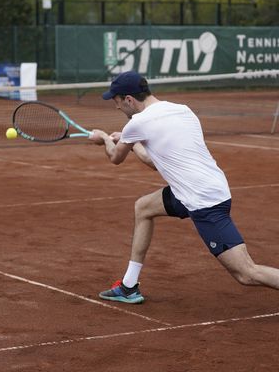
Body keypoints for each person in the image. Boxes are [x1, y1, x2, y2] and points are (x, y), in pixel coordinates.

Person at [89, 71, 279, 304]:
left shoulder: (137, 123)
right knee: (143, 208)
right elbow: (153, 160)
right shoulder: (183, 110)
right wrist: (132, 139)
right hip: (199, 189)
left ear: (129, 99)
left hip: (203, 201)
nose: (117, 108)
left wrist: (105, 139)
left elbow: (115, 159)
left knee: (246, 273)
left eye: (116, 101)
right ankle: (129, 286)